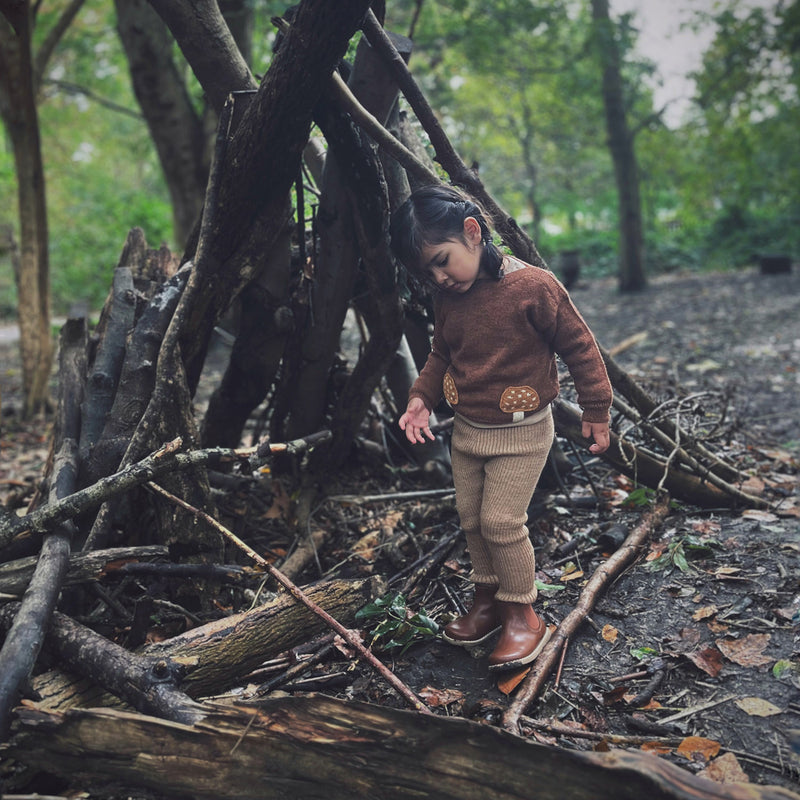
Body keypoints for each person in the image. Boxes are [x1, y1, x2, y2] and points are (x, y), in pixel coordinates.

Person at [390, 184, 612, 672]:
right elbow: (442, 353)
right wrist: (420, 398)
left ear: (473, 233)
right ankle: (487, 600)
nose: (439, 277)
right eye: (426, 272)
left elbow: (580, 347)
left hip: (523, 432)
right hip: (468, 431)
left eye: (442, 260)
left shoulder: (534, 287)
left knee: (501, 522)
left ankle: (522, 613)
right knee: (471, 520)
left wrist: (596, 408)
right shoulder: (448, 297)